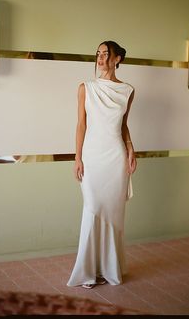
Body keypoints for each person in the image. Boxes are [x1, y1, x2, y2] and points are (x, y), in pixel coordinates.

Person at [67, 40, 137, 289]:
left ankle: (109, 269)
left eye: (105, 54)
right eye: (97, 53)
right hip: (93, 156)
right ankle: (88, 271)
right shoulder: (86, 88)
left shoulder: (128, 90)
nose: (100, 58)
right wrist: (77, 156)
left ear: (117, 59)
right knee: (92, 208)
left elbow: (123, 125)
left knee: (113, 214)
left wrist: (130, 149)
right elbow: (81, 125)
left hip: (116, 158)